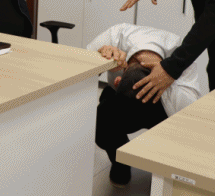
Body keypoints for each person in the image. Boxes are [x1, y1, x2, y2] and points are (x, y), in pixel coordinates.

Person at [87, 23, 202, 187]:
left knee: (183, 136)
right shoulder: (114, 36)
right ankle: (120, 161)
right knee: (102, 121)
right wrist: (99, 60)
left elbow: (191, 112)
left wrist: (166, 77)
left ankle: (164, 174)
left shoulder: (179, 51)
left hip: (161, 104)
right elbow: (78, 71)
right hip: (123, 99)